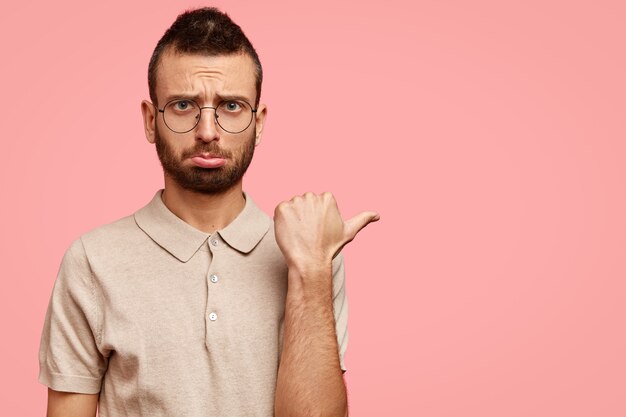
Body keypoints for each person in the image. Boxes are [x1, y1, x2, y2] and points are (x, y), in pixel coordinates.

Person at [39, 7, 378, 417]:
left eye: (231, 106)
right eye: (183, 105)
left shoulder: (311, 255)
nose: (207, 131)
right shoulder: (92, 261)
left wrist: (310, 268)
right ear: (150, 121)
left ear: (260, 122)